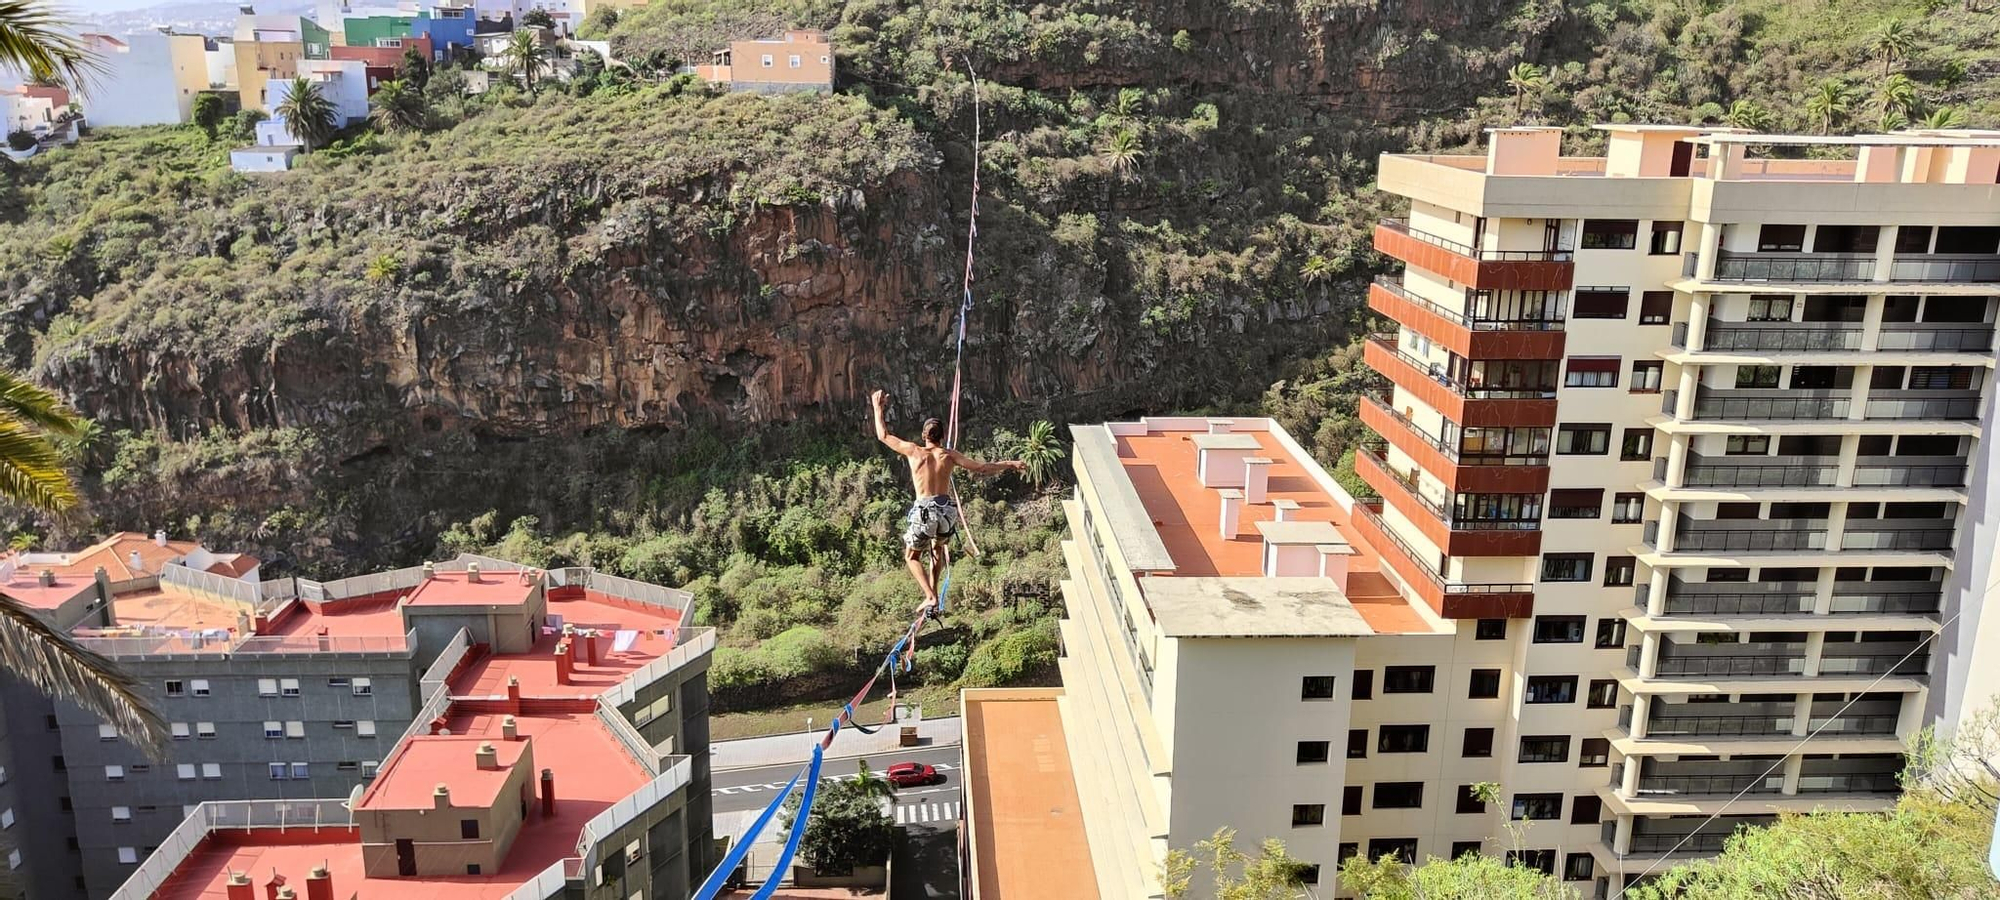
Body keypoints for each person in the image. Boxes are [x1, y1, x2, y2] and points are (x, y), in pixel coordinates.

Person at [871, 389, 1025, 611]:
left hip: (924, 511)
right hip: (945, 512)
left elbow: (883, 436)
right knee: (938, 549)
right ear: (942, 437)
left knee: (911, 556)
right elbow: (982, 468)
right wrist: (1009, 463)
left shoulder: (914, 452)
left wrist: (878, 408)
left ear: (924, 436)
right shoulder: (950, 455)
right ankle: (933, 595)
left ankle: (930, 596)